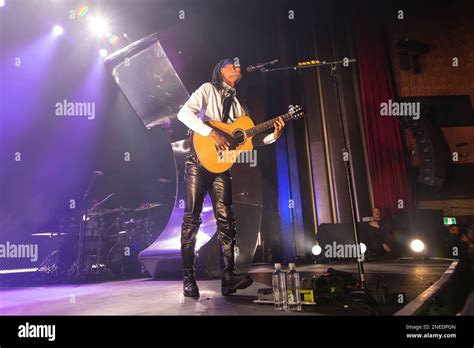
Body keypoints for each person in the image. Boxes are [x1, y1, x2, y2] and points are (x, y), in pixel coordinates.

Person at [176, 58, 285, 297]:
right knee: (192, 219)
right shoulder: (208, 89)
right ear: (220, 71)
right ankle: (188, 278)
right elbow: (183, 113)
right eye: (231, 63)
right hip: (197, 162)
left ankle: (228, 277)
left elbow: (249, 140)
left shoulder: (238, 106)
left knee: (227, 220)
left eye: (238, 64)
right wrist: (211, 133)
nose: (237, 66)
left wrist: (273, 136)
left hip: (221, 166)